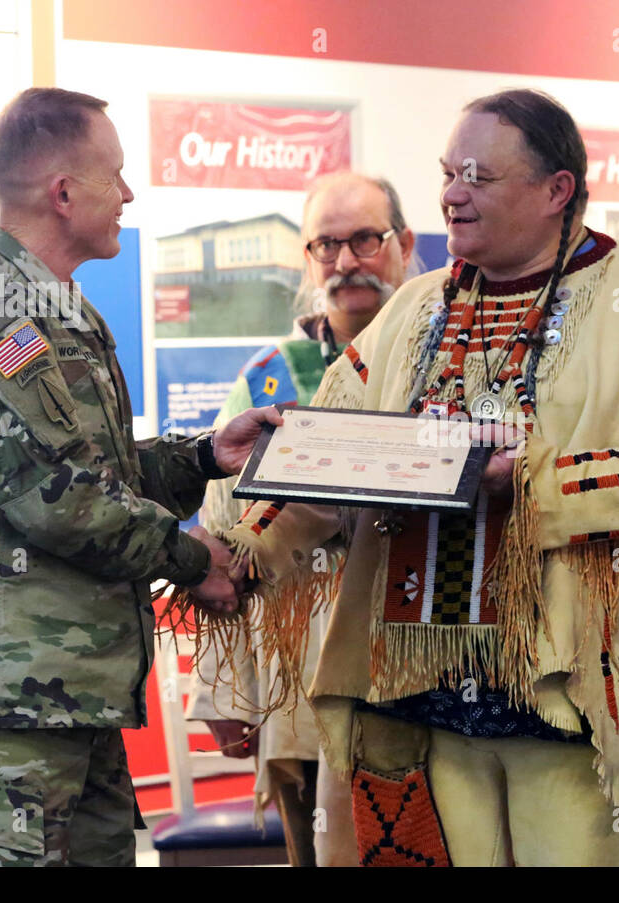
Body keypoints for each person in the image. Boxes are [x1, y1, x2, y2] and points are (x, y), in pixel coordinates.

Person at [181, 88, 619, 866]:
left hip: (571, 704)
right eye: (449, 173)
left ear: (557, 191)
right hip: (417, 695)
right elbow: (330, 449)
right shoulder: (416, 309)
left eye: (478, 176)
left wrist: (537, 481)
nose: (451, 194)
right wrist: (241, 550)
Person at [0, 87, 277, 866]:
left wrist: (206, 457)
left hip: (70, 705)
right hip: (1, 720)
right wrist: (194, 561)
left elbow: (90, 473)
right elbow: (62, 504)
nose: (129, 194)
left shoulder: (62, 312)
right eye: (117, 175)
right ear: (64, 193)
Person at [184, 171, 416, 866]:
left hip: (425, 676)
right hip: (305, 688)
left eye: (366, 241)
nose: (346, 263)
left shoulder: (447, 363)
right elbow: (223, 535)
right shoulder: (267, 382)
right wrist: (225, 686)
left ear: (404, 243)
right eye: (326, 245)